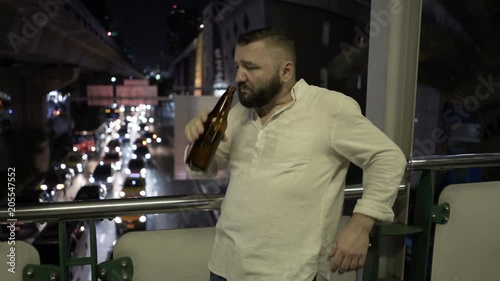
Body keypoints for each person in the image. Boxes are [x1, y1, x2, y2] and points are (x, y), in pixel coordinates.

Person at [184, 27, 407, 281]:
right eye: (237, 66)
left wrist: (361, 225)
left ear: (286, 71)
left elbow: (388, 157)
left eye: (251, 67)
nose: (239, 76)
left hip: (291, 273)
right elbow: (203, 169)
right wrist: (197, 142)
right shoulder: (237, 115)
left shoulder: (330, 108)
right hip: (225, 267)